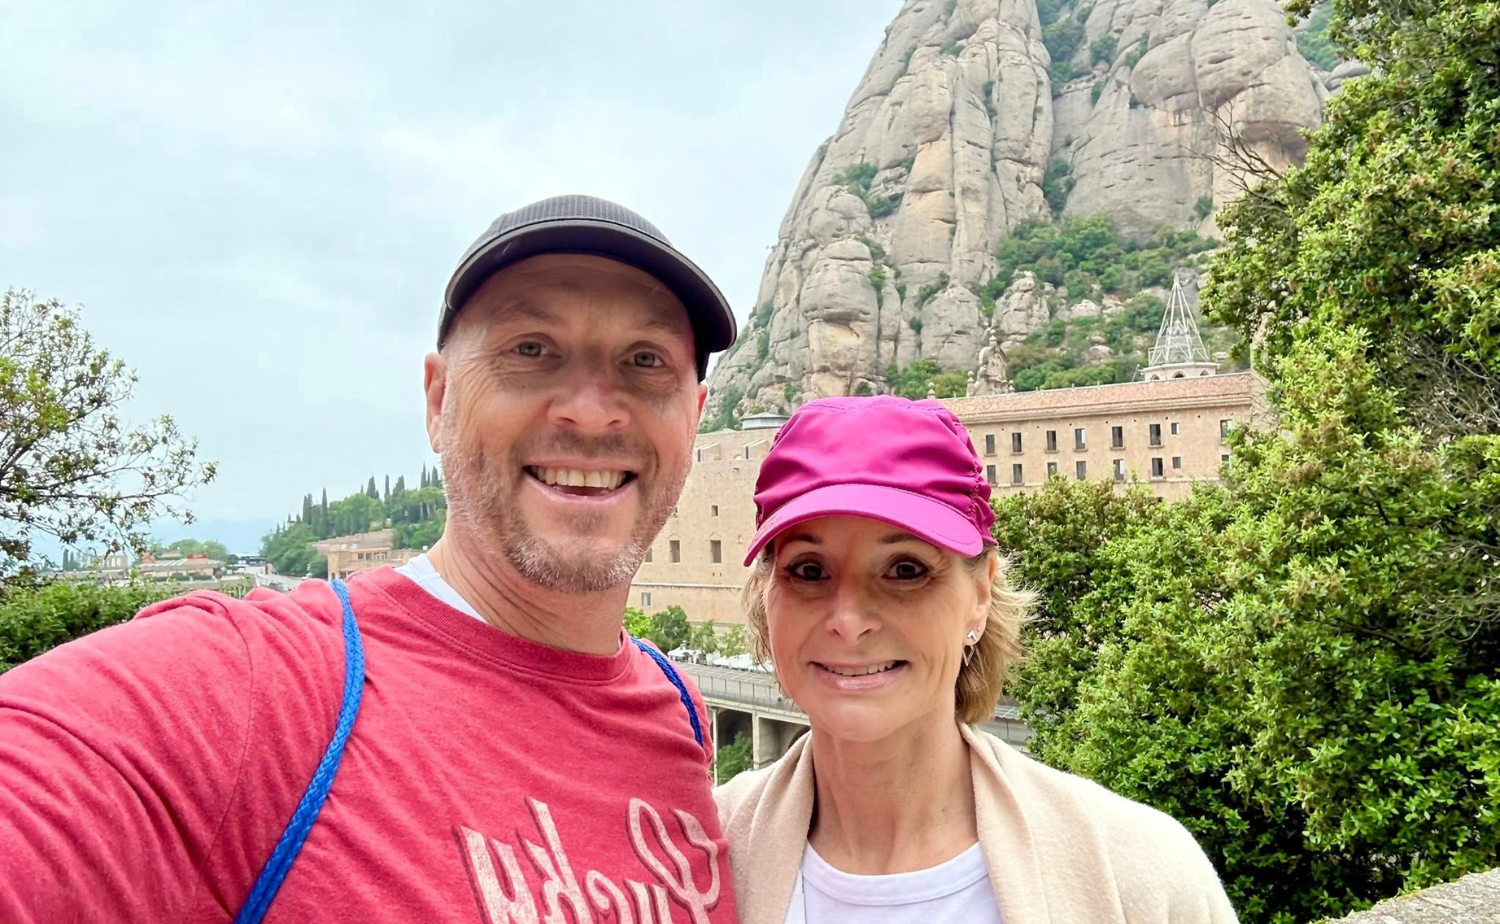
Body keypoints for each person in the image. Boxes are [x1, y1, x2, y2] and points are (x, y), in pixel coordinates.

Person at [0, 195, 741, 924]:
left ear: (696, 418)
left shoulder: (675, 709)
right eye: (530, 349)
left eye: (645, 360)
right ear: (438, 401)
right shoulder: (257, 687)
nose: (592, 408)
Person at [715, 396, 1238, 924]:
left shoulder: (1142, 876)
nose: (848, 621)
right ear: (766, 597)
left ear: (981, 594)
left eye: (905, 570)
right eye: (808, 571)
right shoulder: (699, 860)